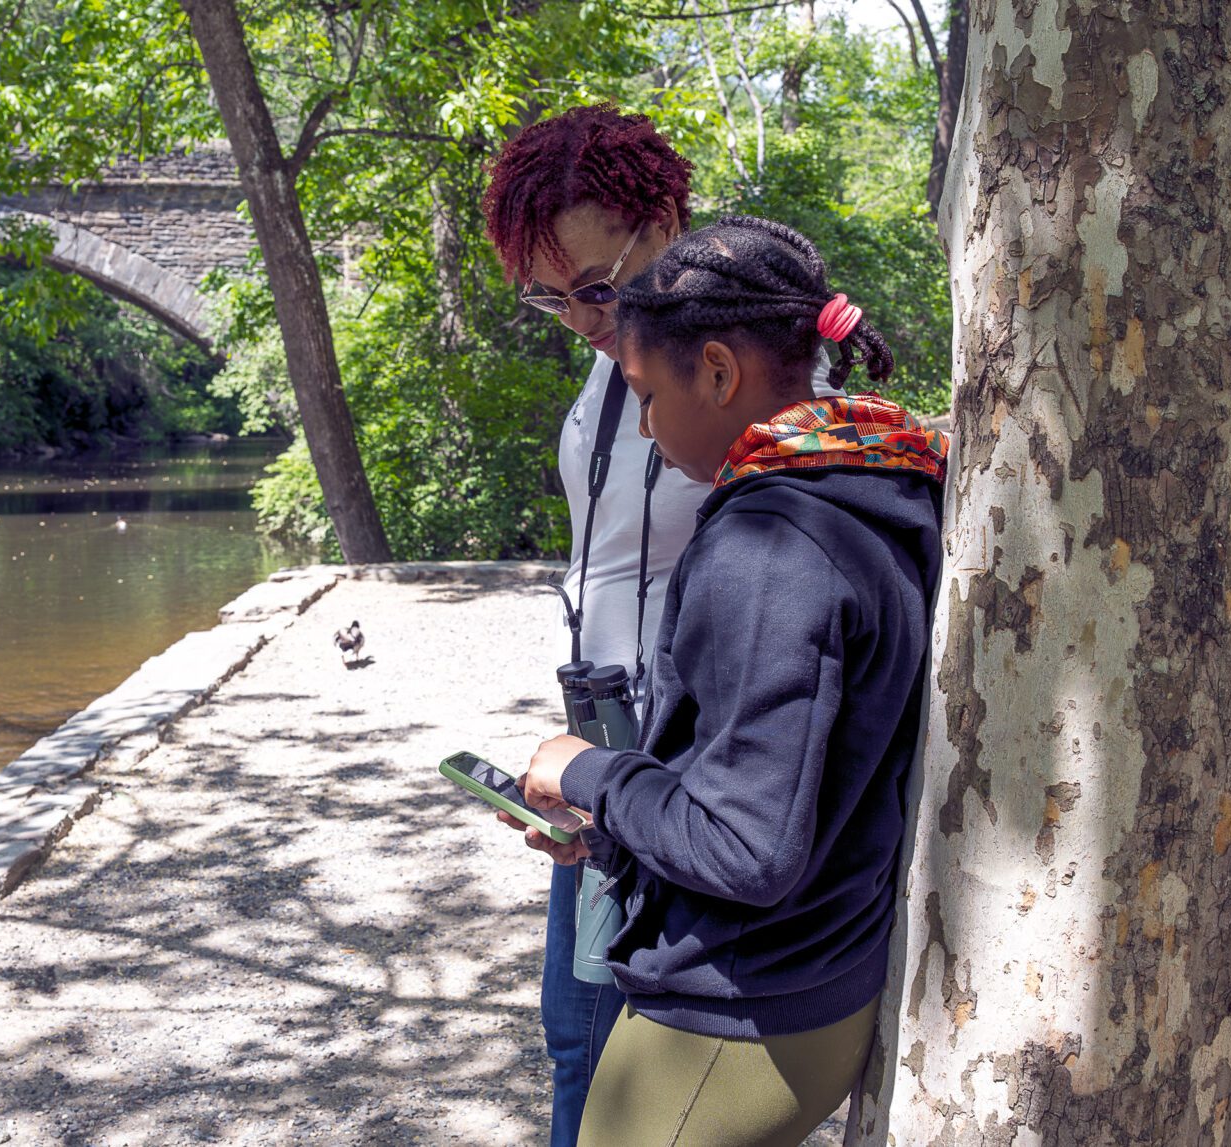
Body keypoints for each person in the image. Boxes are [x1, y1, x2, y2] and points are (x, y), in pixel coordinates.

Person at [519, 215, 949, 1147]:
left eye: (644, 393)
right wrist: (613, 834)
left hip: (742, 1005)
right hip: (809, 969)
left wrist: (591, 774)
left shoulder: (770, 548)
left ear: (717, 372)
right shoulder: (878, 478)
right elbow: (794, 776)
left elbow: (749, 849)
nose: (641, 423)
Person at [480, 104, 712, 1147]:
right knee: (576, 1040)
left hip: (690, 780)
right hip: (604, 762)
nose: (577, 318)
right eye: (547, 296)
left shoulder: (736, 358)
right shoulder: (608, 349)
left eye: (590, 287)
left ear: (662, 217)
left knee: (659, 1068)